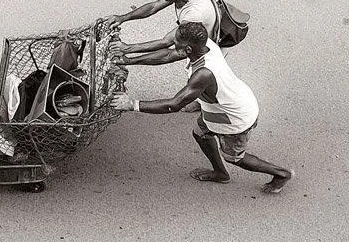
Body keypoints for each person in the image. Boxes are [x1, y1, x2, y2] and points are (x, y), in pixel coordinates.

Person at [112, 21, 293, 194]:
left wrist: (132, 104)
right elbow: (167, 56)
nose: (173, 47)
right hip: (225, 104)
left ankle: (281, 174)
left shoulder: (203, 74)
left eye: (176, 44)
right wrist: (127, 60)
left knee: (234, 157)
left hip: (235, 117)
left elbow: (174, 104)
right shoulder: (206, 45)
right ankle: (220, 173)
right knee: (200, 134)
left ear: (188, 50)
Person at [106, 0, 219, 66]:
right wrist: (122, 18)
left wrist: (128, 49)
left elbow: (166, 43)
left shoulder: (194, 14)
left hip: (208, 46)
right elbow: (153, 7)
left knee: (181, 55)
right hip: (199, 33)